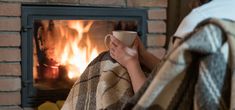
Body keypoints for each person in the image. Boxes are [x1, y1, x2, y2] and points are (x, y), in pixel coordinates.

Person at [109, 0, 235, 93]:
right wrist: (144, 56)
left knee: (107, 68)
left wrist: (130, 62)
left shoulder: (196, 22)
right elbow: (179, 73)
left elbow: (153, 102)